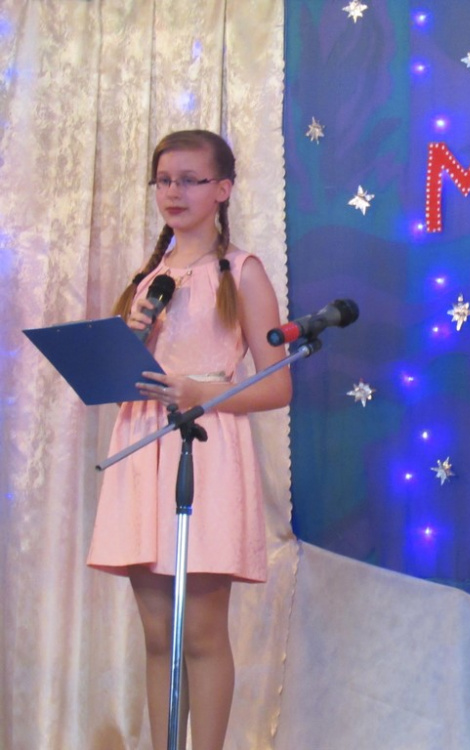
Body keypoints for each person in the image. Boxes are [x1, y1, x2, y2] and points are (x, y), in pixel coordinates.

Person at [87, 130, 292, 750]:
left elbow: (278, 386)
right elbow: (123, 389)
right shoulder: (148, 279)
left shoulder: (242, 272)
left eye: (189, 180)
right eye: (163, 181)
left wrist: (202, 392)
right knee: (159, 637)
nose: (173, 192)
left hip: (203, 449)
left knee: (200, 632)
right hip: (141, 449)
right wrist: (131, 343)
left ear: (222, 189)